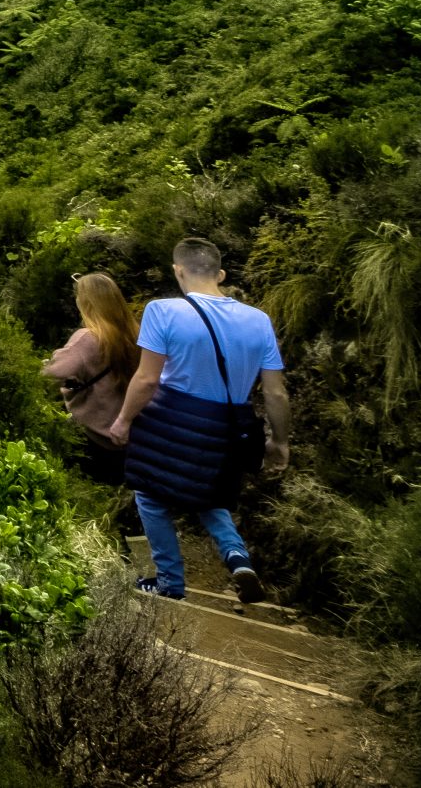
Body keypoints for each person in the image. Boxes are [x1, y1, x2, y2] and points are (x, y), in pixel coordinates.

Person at [106, 237, 290, 604]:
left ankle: (170, 582)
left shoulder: (162, 311)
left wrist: (123, 420)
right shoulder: (259, 320)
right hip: (228, 427)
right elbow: (276, 393)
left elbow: (146, 380)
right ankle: (238, 558)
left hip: (171, 421)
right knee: (210, 494)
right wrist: (279, 441)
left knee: (151, 495)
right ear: (220, 274)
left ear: (178, 270)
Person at [43, 272, 137, 479]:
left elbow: (49, 375)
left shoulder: (87, 338)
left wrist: (53, 359)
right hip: (131, 436)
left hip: (98, 439)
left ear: (85, 302)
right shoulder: (134, 332)